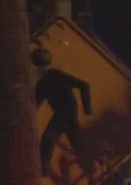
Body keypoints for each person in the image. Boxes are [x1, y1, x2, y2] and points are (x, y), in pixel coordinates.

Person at [32, 45, 91, 176]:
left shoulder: (54, 75)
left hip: (67, 113)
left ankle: (44, 169)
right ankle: (89, 167)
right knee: (73, 142)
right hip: (64, 113)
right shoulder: (43, 82)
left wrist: (88, 109)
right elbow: (35, 103)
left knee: (50, 138)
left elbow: (84, 85)